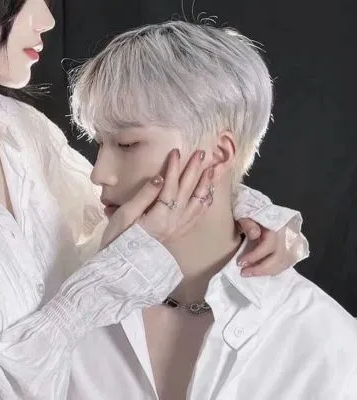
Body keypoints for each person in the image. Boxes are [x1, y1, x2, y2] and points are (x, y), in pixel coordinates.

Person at [0, 0, 308, 399]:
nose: (48, 20)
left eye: (124, 144)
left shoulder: (21, 130)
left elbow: (119, 206)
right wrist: (100, 289)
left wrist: (246, 217)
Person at [67, 20, 357, 400]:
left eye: (127, 144)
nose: (98, 173)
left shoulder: (328, 347)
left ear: (218, 154)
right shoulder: (64, 289)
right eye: (97, 143)